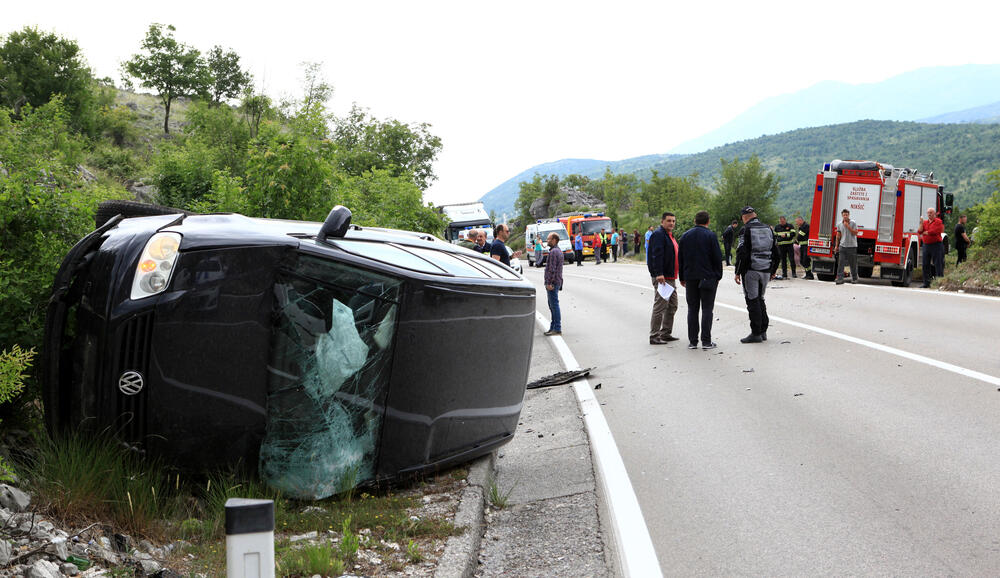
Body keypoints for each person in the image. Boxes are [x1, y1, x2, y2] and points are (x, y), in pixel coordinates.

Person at [679, 210, 724, 349]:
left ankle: (693, 342)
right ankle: (706, 341)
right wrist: (718, 276)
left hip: (690, 277)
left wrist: (682, 277)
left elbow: (680, 258)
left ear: (695, 221)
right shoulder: (710, 236)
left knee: (692, 309)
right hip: (707, 277)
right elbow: (717, 257)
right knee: (707, 309)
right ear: (708, 221)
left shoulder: (685, 236)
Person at [734, 206, 779, 343]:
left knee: (752, 300)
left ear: (744, 217)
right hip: (765, 270)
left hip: (751, 270)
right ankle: (763, 331)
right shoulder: (768, 229)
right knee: (760, 299)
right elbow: (776, 252)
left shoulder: (745, 229)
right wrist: (773, 270)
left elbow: (742, 252)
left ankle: (756, 333)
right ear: (755, 214)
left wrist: (738, 271)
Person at [647, 212, 680, 344]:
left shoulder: (669, 235)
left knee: (672, 305)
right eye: (669, 221)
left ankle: (665, 333)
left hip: (670, 276)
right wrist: (659, 273)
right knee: (660, 306)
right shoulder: (659, 235)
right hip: (663, 277)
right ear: (662, 222)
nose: (671, 223)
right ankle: (654, 336)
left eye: (673, 221)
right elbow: (656, 255)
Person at [918, 207, 945, 287]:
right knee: (925, 264)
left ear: (934, 214)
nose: (929, 214)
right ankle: (926, 283)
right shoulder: (925, 222)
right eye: (928, 213)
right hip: (926, 245)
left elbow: (935, 231)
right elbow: (919, 231)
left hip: (936, 245)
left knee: (938, 263)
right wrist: (921, 223)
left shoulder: (938, 221)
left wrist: (927, 232)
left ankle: (939, 282)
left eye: (931, 212)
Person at [543, 232, 564, 336]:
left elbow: (552, 269)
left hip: (553, 283)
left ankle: (557, 327)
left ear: (554, 240)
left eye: (549, 239)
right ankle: (553, 327)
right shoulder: (558, 251)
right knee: (552, 305)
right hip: (556, 281)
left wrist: (549, 282)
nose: (547, 241)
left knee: (554, 305)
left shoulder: (554, 252)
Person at [833, 209, 858, 285]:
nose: (845, 216)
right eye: (844, 215)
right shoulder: (839, 224)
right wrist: (836, 246)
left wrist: (848, 227)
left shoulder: (853, 223)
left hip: (852, 246)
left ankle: (854, 278)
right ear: (842, 215)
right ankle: (840, 279)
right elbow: (838, 235)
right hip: (842, 246)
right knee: (841, 263)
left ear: (849, 215)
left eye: (846, 215)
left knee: (852, 263)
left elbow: (855, 233)